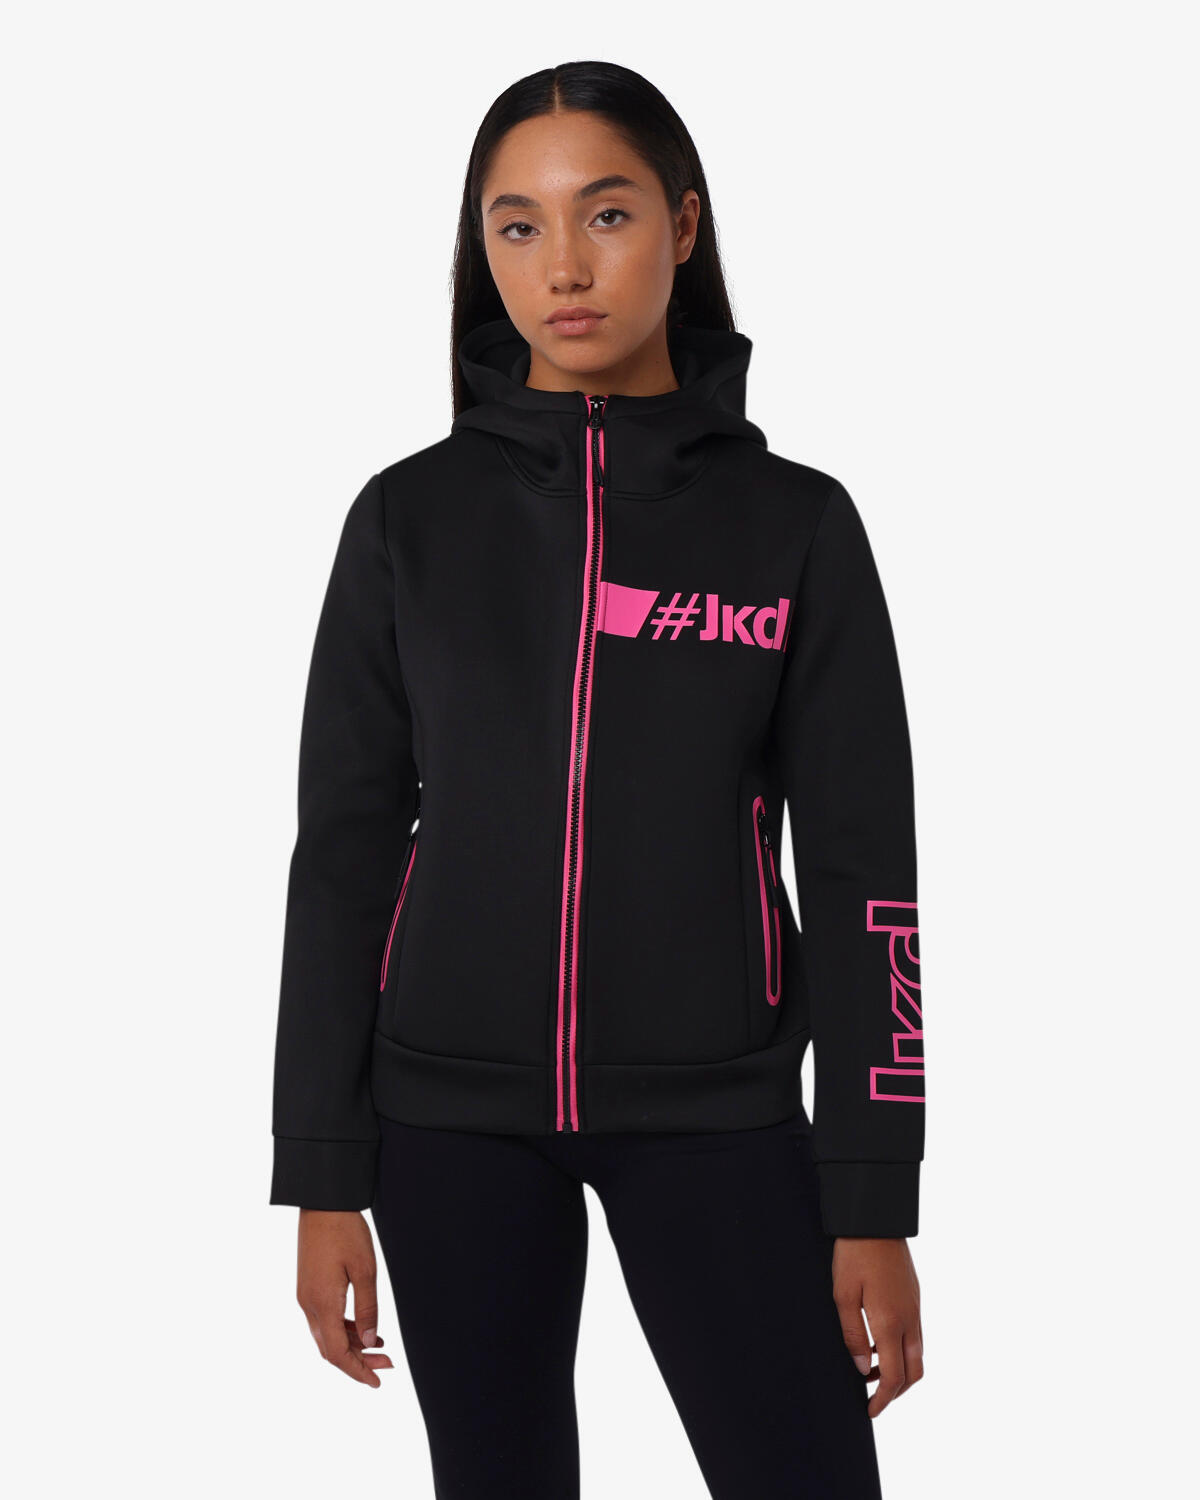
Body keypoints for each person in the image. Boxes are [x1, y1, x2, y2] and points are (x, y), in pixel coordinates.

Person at [269, 59, 925, 1499]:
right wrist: (321, 1167)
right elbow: (347, 852)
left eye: (606, 214)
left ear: (683, 225)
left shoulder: (796, 527)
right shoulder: (407, 521)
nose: (562, 266)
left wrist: (875, 1192)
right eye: (518, 226)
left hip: (719, 1114)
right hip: (446, 1125)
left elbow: (868, 871)